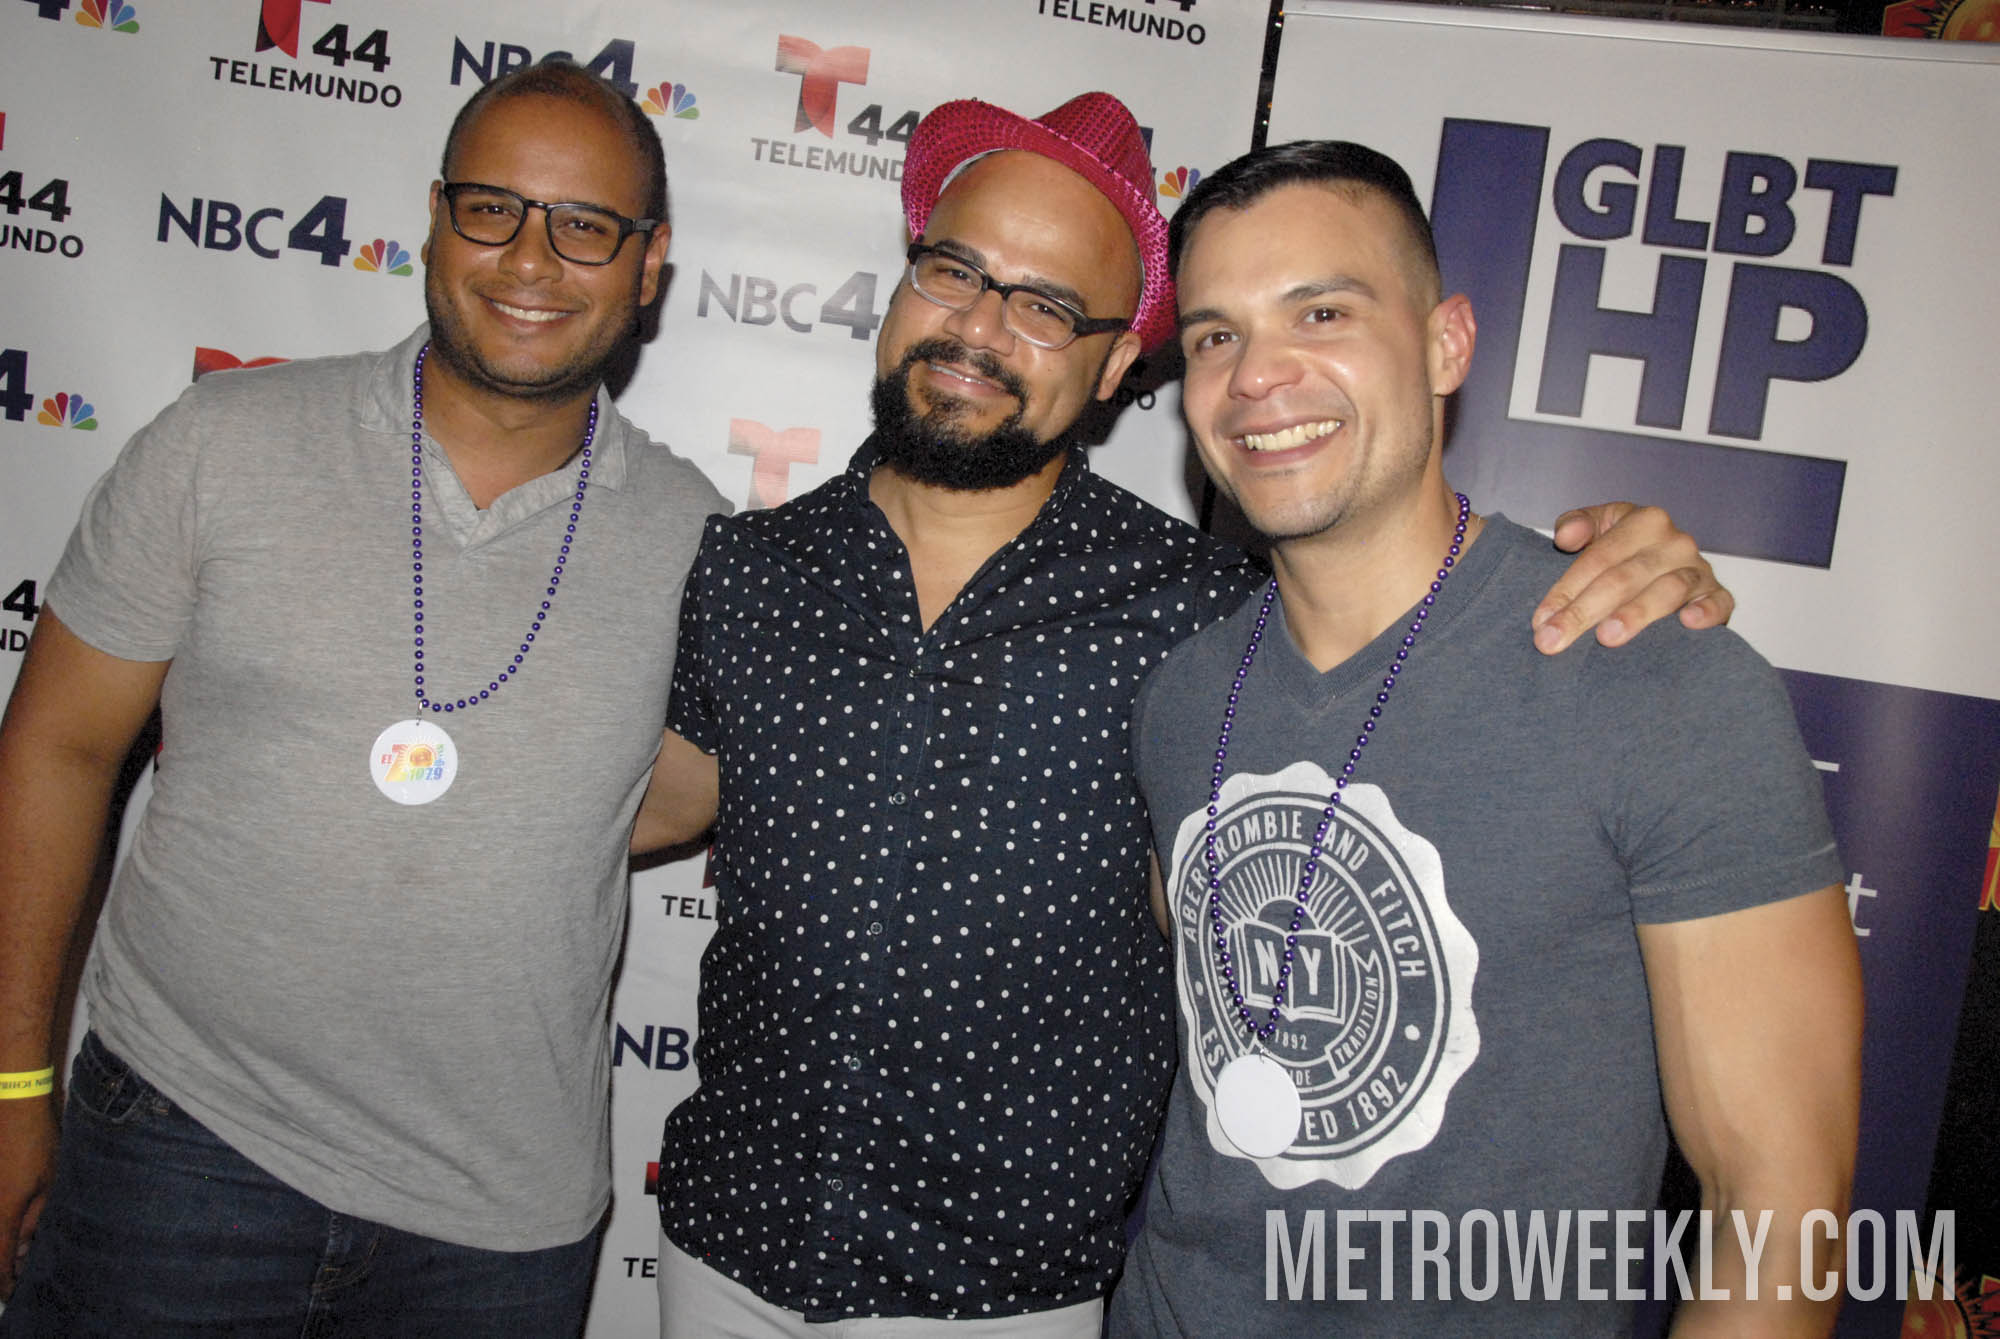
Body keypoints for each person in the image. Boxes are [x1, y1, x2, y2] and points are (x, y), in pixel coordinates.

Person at [632, 93, 1737, 1337]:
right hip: (721, 1244)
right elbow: (643, 795)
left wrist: (1618, 571)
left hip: (1008, 1294)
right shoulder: (749, 569)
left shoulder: (1206, 616)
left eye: (1047, 306)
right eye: (954, 271)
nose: (979, 327)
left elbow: (1418, 641)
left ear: (1116, 368)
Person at [0, 62, 725, 1336]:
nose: (530, 259)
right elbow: (55, 747)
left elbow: (667, 797)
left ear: (647, 263)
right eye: (493, 208)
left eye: (585, 225)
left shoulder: (703, 545)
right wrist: (11, 1088)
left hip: (496, 1232)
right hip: (177, 1149)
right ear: (436, 219)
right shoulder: (221, 441)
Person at [1107, 140, 1863, 1337]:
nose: (1256, 375)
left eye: (1320, 311)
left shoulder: (1656, 677)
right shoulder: (1181, 694)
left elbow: (1776, 1205)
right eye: (1213, 335)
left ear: (1444, 344)